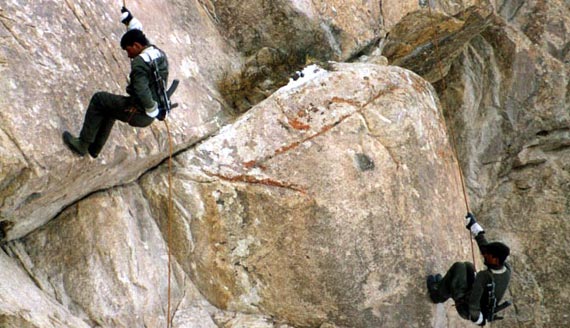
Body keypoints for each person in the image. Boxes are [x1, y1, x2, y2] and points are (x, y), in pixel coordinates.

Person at [63, 7, 168, 158]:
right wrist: (131, 22)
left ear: (137, 46)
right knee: (110, 107)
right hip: (147, 112)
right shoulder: (157, 53)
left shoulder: (139, 63)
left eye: (128, 50)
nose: (128, 54)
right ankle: (94, 148)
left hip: (139, 112)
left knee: (99, 99)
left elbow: (142, 89)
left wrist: (152, 109)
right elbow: (141, 37)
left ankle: (82, 144)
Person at [427, 213, 511, 326]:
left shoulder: (484, 277)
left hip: (466, 307)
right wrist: (474, 227)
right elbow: (486, 249)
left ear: (495, 260)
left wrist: (478, 319)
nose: (485, 255)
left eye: (488, 256)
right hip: (480, 299)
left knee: (458, 268)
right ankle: (443, 289)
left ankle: (437, 295)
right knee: (468, 266)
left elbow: (473, 305)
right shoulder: (505, 269)